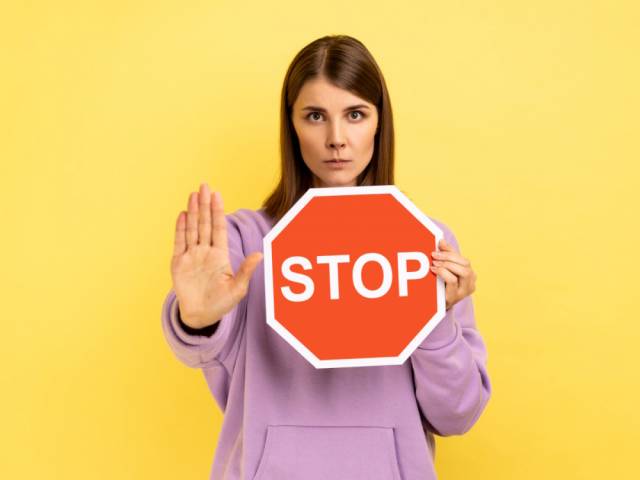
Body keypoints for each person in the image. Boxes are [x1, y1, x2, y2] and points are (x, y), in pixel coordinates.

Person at [161, 34, 491, 480]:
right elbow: (203, 342)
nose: (337, 139)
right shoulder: (242, 241)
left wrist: (435, 318)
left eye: (355, 114)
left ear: (379, 123)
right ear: (292, 126)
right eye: (315, 116)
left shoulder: (426, 243)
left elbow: (458, 414)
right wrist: (196, 321)